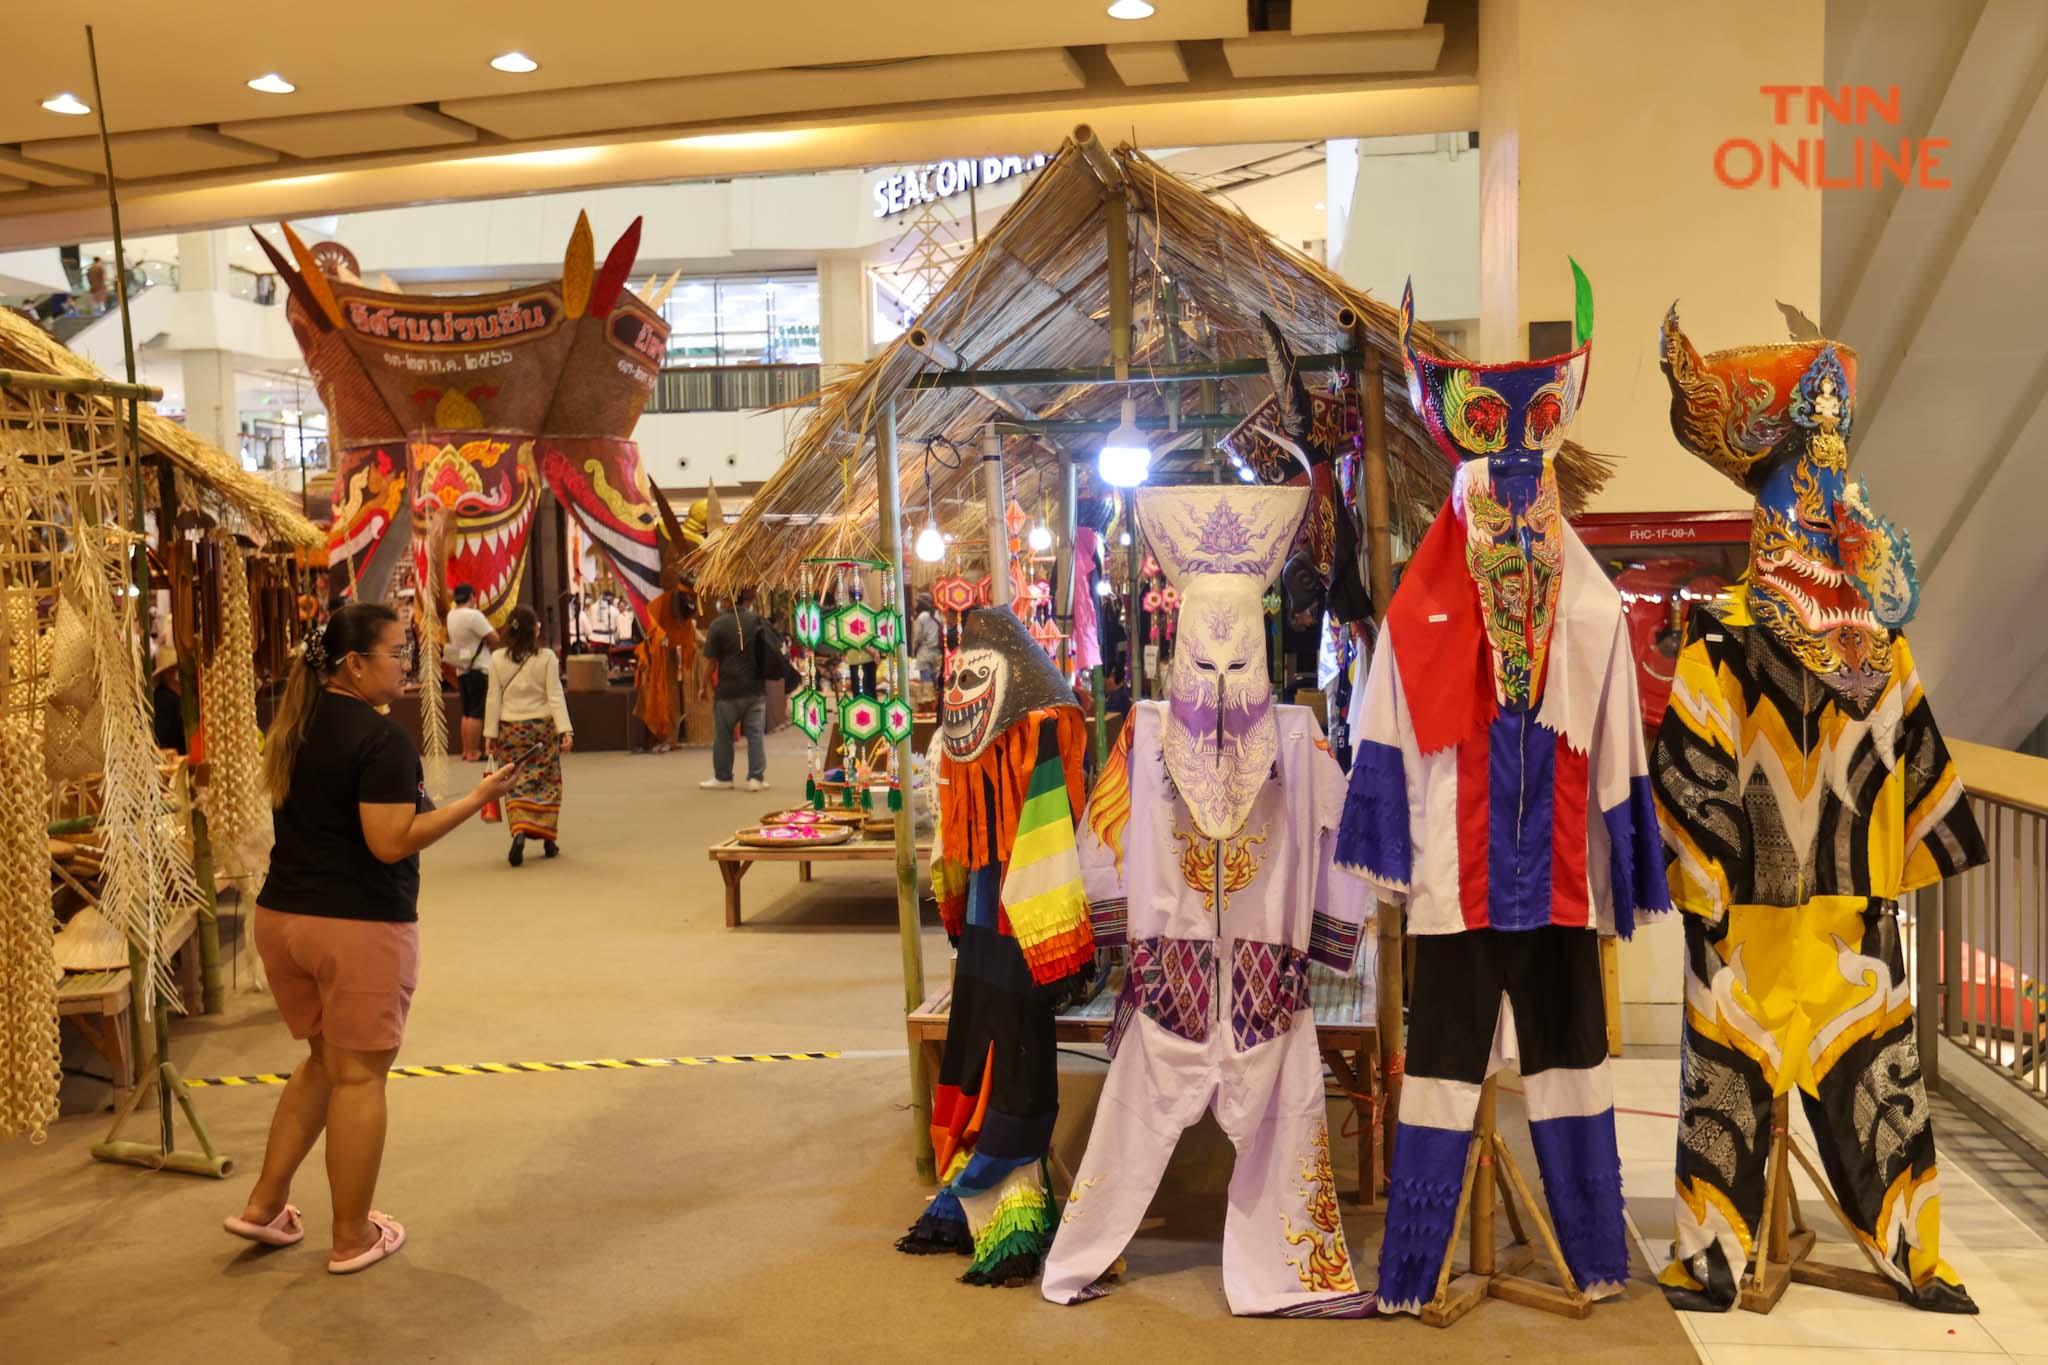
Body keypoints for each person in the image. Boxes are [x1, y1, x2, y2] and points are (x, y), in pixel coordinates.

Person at [225, 604, 513, 1275]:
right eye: (396, 652)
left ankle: (265, 1203)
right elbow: (389, 843)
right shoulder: (381, 741)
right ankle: (353, 1234)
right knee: (358, 1077)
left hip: (283, 922)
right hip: (352, 926)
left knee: (324, 1063)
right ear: (354, 664)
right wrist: (473, 802)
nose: (406, 664)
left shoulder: (298, 723)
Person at [485, 605, 573, 866]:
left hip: (511, 729)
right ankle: (548, 839)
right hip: (542, 729)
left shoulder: (497, 659)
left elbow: (493, 697)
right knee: (547, 780)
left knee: (515, 779)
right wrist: (565, 730)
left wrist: (490, 733)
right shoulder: (546, 657)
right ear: (534, 629)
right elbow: (555, 695)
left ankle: (520, 830)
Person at [701, 586, 766, 791]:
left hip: (727, 690)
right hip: (754, 689)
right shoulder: (757, 621)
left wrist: (702, 686)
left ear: (729, 600)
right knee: (755, 734)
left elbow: (711, 662)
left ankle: (723, 777)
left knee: (723, 735)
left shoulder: (717, 625)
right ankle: (756, 778)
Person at [442, 584, 498, 762]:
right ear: (472, 596)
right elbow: (494, 637)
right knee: (476, 711)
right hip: (479, 667)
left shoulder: (451, 615)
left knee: (466, 711)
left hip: (462, 667)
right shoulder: (473, 615)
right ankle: (474, 751)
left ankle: (467, 750)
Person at [151, 646, 187, 754]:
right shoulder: (163, 697)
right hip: (174, 754)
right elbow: (162, 735)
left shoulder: (178, 691)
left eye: (175, 668)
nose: (174, 672)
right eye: (171, 669)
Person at [911, 595, 943, 685]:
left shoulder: (922, 616)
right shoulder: (938, 614)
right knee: (936, 684)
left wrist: (914, 651)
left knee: (927, 686)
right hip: (937, 654)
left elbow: (918, 637)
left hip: (924, 653)